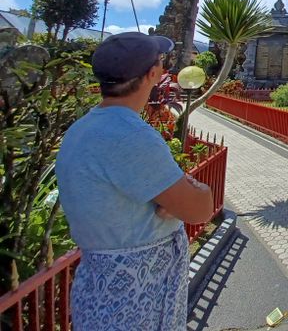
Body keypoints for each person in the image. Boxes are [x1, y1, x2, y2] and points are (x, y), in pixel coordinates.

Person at [56, 32, 214, 330]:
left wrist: (172, 196)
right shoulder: (131, 136)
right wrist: (197, 190)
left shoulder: (80, 129)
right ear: (153, 74)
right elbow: (199, 210)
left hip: (98, 289)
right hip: (138, 296)